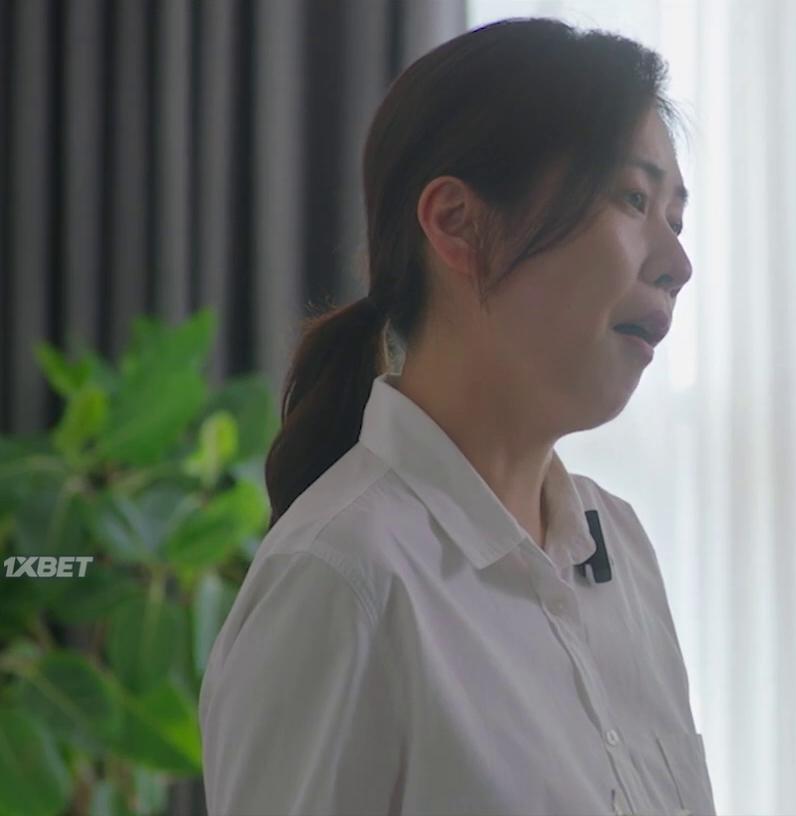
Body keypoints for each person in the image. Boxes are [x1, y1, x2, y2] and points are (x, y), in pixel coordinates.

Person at [198, 18, 712, 816]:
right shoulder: (342, 577)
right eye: (633, 199)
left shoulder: (620, 546)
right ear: (457, 224)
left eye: (674, 219)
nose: (678, 264)